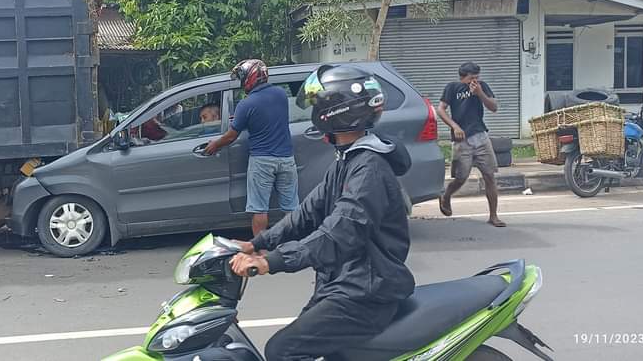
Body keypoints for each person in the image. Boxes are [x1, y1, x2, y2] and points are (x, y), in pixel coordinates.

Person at [227, 64, 415, 361]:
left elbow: (336, 235)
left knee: (282, 350)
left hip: (366, 290)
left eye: (317, 103)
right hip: (345, 281)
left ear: (335, 111)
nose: (312, 110)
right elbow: (307, 214)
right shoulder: (348, 160)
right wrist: (257, 243)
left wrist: (270, 262)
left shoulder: (368, 169)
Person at [204, 59, 297, 236]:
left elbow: (231, 136)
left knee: (260, 209)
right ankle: (292, 245)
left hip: (262, 161)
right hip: (286, 159)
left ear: (251, 77)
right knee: (291, 207)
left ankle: (260, 250)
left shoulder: (246, 105)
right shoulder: (281, 95)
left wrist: (214, 145)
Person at [436, 61, 505, 227]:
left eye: (477, 77)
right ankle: (446, 196)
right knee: (461, 178)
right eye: (472, 78)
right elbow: (440, 109)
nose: (475, 81)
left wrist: (480, 94)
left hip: (481, 136)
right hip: (461, 139)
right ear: (463, 78)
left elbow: (494, 107)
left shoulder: (481, 87)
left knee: (489, 176)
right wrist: (454, 126)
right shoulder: (452, 88)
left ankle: (493, 216)